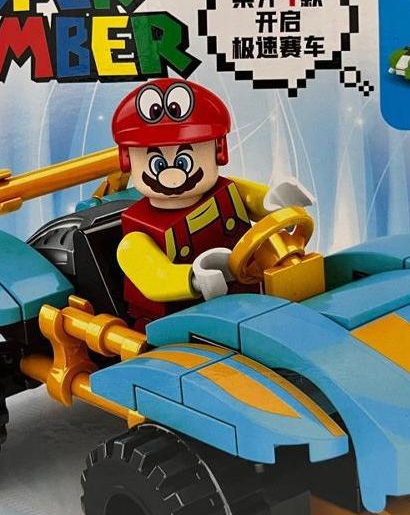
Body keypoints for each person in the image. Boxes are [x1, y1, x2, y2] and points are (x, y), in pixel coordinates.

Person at [111, 79, 313, 329]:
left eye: (183, 162)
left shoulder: (228, 190)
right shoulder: (135, 240)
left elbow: (258, 202)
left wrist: (277, 201)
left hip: (245, 297)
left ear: (219, 150)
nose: (173, 176)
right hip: (180, 322)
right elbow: (155, 277)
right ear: (128, 160)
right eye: (158, 165)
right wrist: (195, 279)